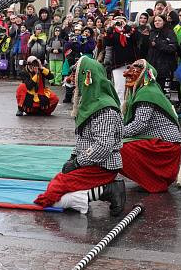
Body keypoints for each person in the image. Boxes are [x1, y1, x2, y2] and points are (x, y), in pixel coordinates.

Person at [33, 56, 126, 215]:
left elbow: (103, 146)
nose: (72, 80)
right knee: (57, 185)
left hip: (101, 166)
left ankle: (109, 190)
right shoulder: (90, 102)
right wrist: (73, 156)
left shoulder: (104, 108)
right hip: (91, 163)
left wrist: (77, 163)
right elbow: (83, 138)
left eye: (76, 75)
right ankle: (96, 192)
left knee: (53, 196)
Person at [119, 60, 181, 192]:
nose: (128, 74)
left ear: (143, 74)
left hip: (165, 145)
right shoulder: (142, 90)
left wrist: (116, 133)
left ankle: (153, 182)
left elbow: (138, 125)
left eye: (135, 71)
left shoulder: (147, 92)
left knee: (118, 148)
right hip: (159, 141)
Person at [146, 13, 178, 89]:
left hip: (165, 68)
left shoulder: (170, 32)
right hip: (152, 67)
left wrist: (158, 44)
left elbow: (172, 48)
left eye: (159, 20)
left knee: (163, 91)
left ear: (164, 22)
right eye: (155, 21)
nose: (157, 22)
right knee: (151, 90)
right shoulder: (151, 33)